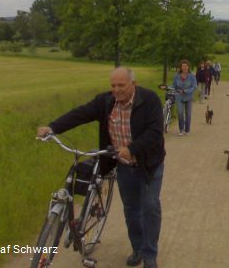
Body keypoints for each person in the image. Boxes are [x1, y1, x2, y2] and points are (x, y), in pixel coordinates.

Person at [37, 67, 164, 268]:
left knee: (150, 207)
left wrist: (132, 149)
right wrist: (52, 127)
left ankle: (150, 255)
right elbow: (80, 113)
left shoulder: (150, 100)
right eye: (113, 85)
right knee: (131, 210)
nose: (116, 90)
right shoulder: (105, 102)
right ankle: (138, 248)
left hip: (148, 164)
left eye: (121, 85)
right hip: (123, 166)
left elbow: (155, 133)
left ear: (133, 84)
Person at [173, 59, 197, 136]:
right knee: (180, 113)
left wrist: (185, 91)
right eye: (183, 66)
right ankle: (181, 129)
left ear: (188, 67)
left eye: (186, 66)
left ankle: (187, 130)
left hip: (189, 97)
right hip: (179, 96)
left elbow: (194, 87)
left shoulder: (192, 76)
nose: (184, 67)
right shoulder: (176, 76)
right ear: (181, 67)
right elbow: (174, 86)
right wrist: (166, 87)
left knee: (188, 114)